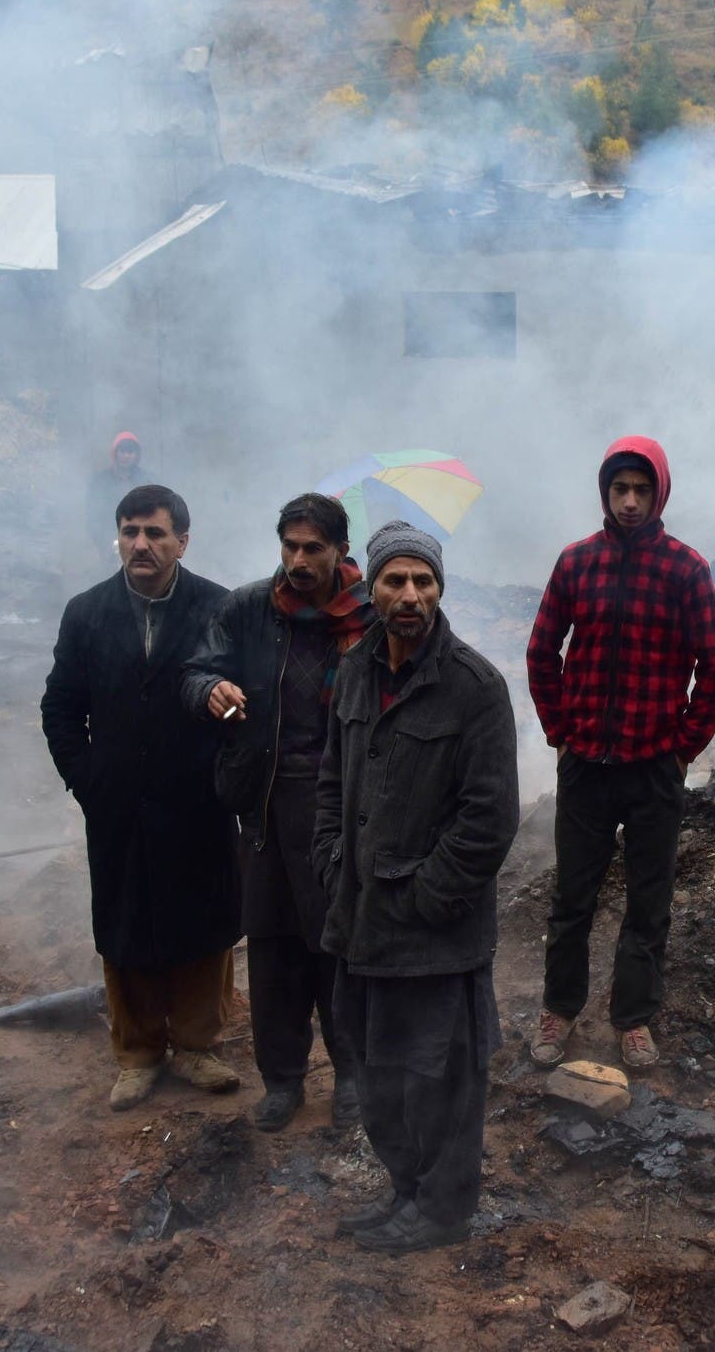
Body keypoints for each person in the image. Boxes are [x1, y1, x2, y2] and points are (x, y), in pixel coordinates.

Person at [312, 521, 519, 1254]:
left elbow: (489, 819)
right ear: (370, 586)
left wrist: (426, 897)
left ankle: (443, 1209)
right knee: (376, 1072)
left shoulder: (474, 687)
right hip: (359, 921)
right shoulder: (357, 672)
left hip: (436, 937)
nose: (409, 595)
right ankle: (406, 1191)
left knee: (442, 1083)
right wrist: (333, 860)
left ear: (439, 589)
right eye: (395, 580)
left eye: (423, 581)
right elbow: (333, 778)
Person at [526, 437, 715, 1071]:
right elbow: (542, 653)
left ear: (660, 493)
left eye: (643, 490)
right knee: (572, 900)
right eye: (620, 489)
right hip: (586, 764)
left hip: (653, 769)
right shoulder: (576, 563)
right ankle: (560, 1008)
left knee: (649, 903)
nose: (631, 502)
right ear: (604, 493)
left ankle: (634, 1017)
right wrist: (559, 729)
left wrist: (684, 748)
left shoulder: (684, 569)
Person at [39, 483, 244, 1111]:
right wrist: (89, 780)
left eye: (155, 533)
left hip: (197, 800)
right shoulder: (87, 612)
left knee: (203, 920)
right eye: (130, 531)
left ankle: (199, 1046)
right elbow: (61, 708)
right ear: (118, 538)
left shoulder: (219, 608)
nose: (141, 544)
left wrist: (225, 773)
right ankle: (137, 1054)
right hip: (119, 802)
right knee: (125, 921)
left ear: (183, 540)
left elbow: (246, 697)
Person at [183, 493, 371, 1133]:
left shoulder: (369, 617)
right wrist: (212, 690)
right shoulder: (248, 609)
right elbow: (196, 671)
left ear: (340, 550)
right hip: (264, 804)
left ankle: (353, 1077)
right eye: (289, 546)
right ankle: (284, 1080)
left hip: (340, 807)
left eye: (312, 548)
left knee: (338, 947)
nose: (298, 559)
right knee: (272, 950)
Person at [88, 432, 146, 550]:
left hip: (141, 538)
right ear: (115, 453)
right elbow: (93, 515)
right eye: (122, 452)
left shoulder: (147, 480)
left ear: (136, 455)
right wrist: (103, 541)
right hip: (109, 539)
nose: (126, 456)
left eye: (130, 452)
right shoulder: (100, 481)